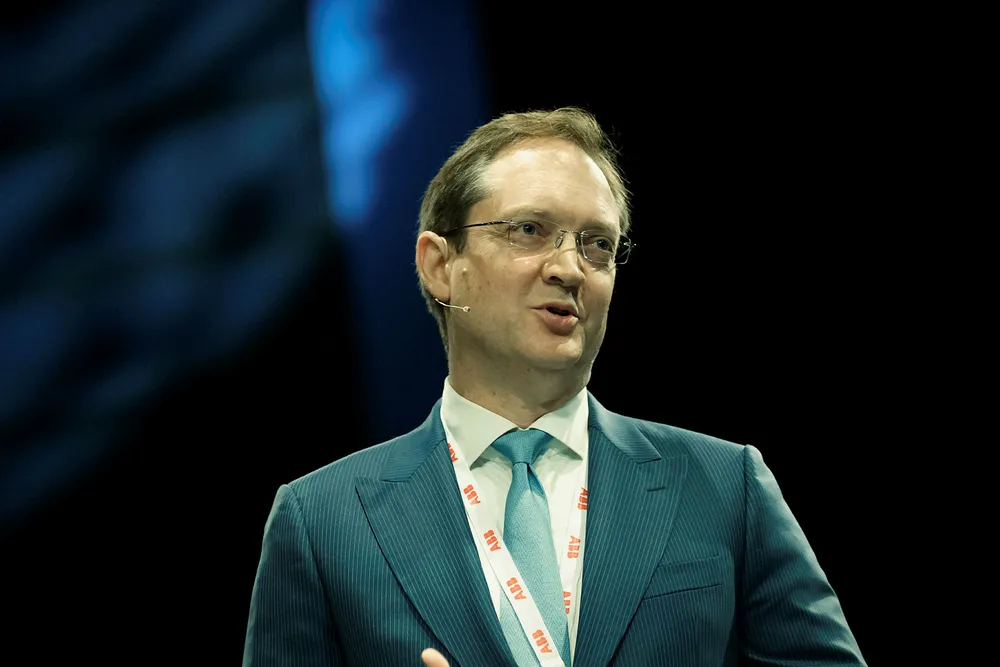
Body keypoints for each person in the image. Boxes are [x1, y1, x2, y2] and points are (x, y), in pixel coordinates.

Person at [242, 107, 866, 666]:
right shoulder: (321, 522)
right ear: (440, 266)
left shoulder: (726, 487)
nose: (570, 268)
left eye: (598, 245)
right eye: (529, 230)